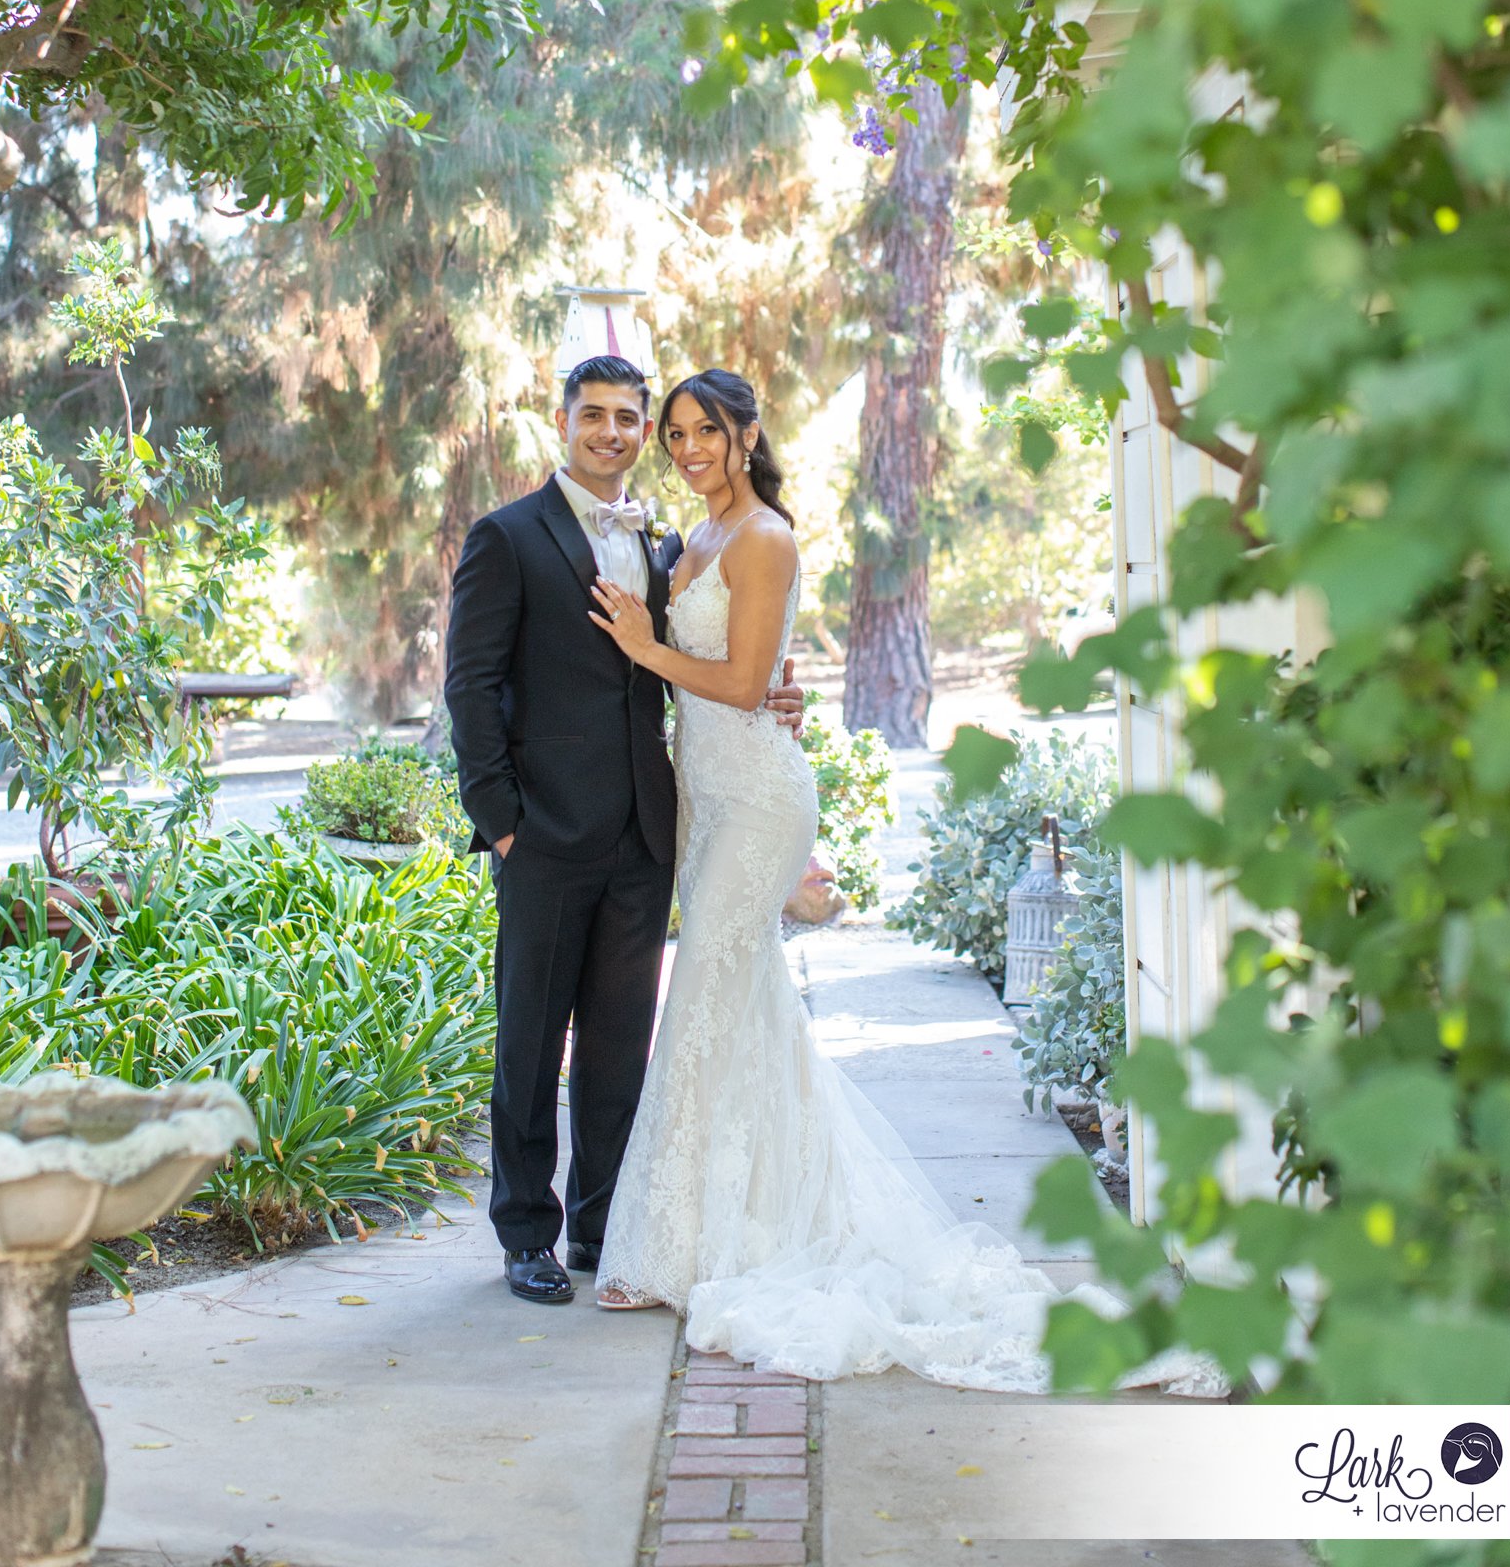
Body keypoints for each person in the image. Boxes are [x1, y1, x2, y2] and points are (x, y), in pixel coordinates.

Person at [586, 367, 1213, 1392]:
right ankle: (741, 1222)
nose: (689, 447)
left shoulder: (765, 538)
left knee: (701, 998)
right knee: (741, 1010)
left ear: (747, 435)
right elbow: (748, 679)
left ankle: (676, 1253)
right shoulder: (688, 540)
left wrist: (649, 646)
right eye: (677, 433)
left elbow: (745, 685)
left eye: (707, 430)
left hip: (756, 801)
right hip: (703, 800)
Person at [444, 354, 804, 1307]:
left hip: (651, 827)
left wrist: (775, 692)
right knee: (532, 1039)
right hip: (546, 833)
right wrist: (502, 822)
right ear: (563, 422)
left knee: (618, 1043)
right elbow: (470, 688)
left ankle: (608, 1223)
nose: (615, 433)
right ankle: (526, 1231)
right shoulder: (507, 537)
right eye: (594, 414)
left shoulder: (667, 544)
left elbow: (706, 658)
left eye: (631, 419)